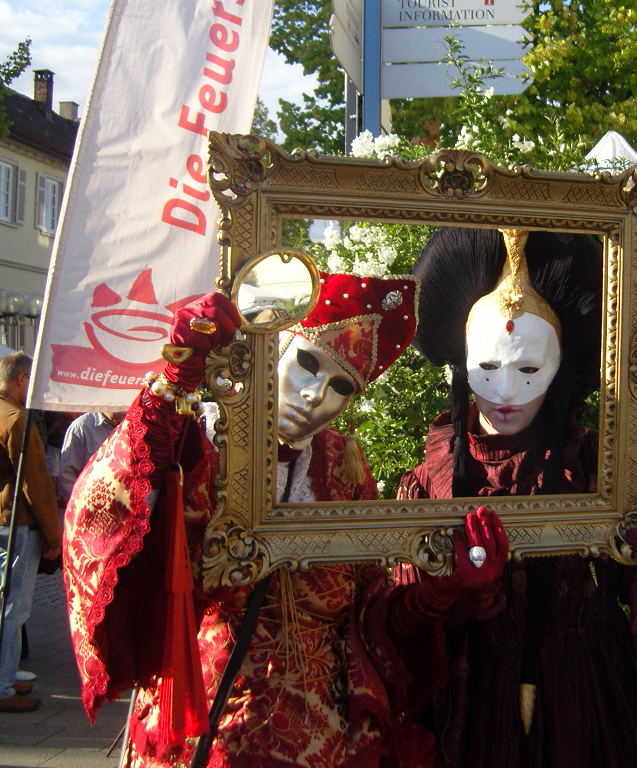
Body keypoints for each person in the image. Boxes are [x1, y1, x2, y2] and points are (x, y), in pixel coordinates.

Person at [389, 228, 637, 768]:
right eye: (487, 367)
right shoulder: (426, 485)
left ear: (560, 369)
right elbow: (399, 621)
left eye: (528, 369)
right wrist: (448, 592)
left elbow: (633, 578)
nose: (506, 393)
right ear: (460, 365)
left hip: (586, 700)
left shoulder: (600, 466)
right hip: (468, 702)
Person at [64, 276, 435, 767]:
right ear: (276, 351)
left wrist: (439, 593)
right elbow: (106, 509)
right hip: (203, 719)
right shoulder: (197, 438)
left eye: (340, 387)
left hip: (320, 735)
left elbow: (364, 598)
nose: (313, 396)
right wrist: (172, 387)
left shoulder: (345, 465)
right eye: (306, 366)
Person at [0, 352, 62, 713]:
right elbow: (36, 484)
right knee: (11, 606)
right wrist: (54, 536)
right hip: (17, 522)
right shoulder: (15, 418)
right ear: (22, 380)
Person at [56, 410, 125, 503]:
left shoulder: (131, 426)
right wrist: (75, 505)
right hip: (87, 505)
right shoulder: (81, 427)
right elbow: (67, 474)